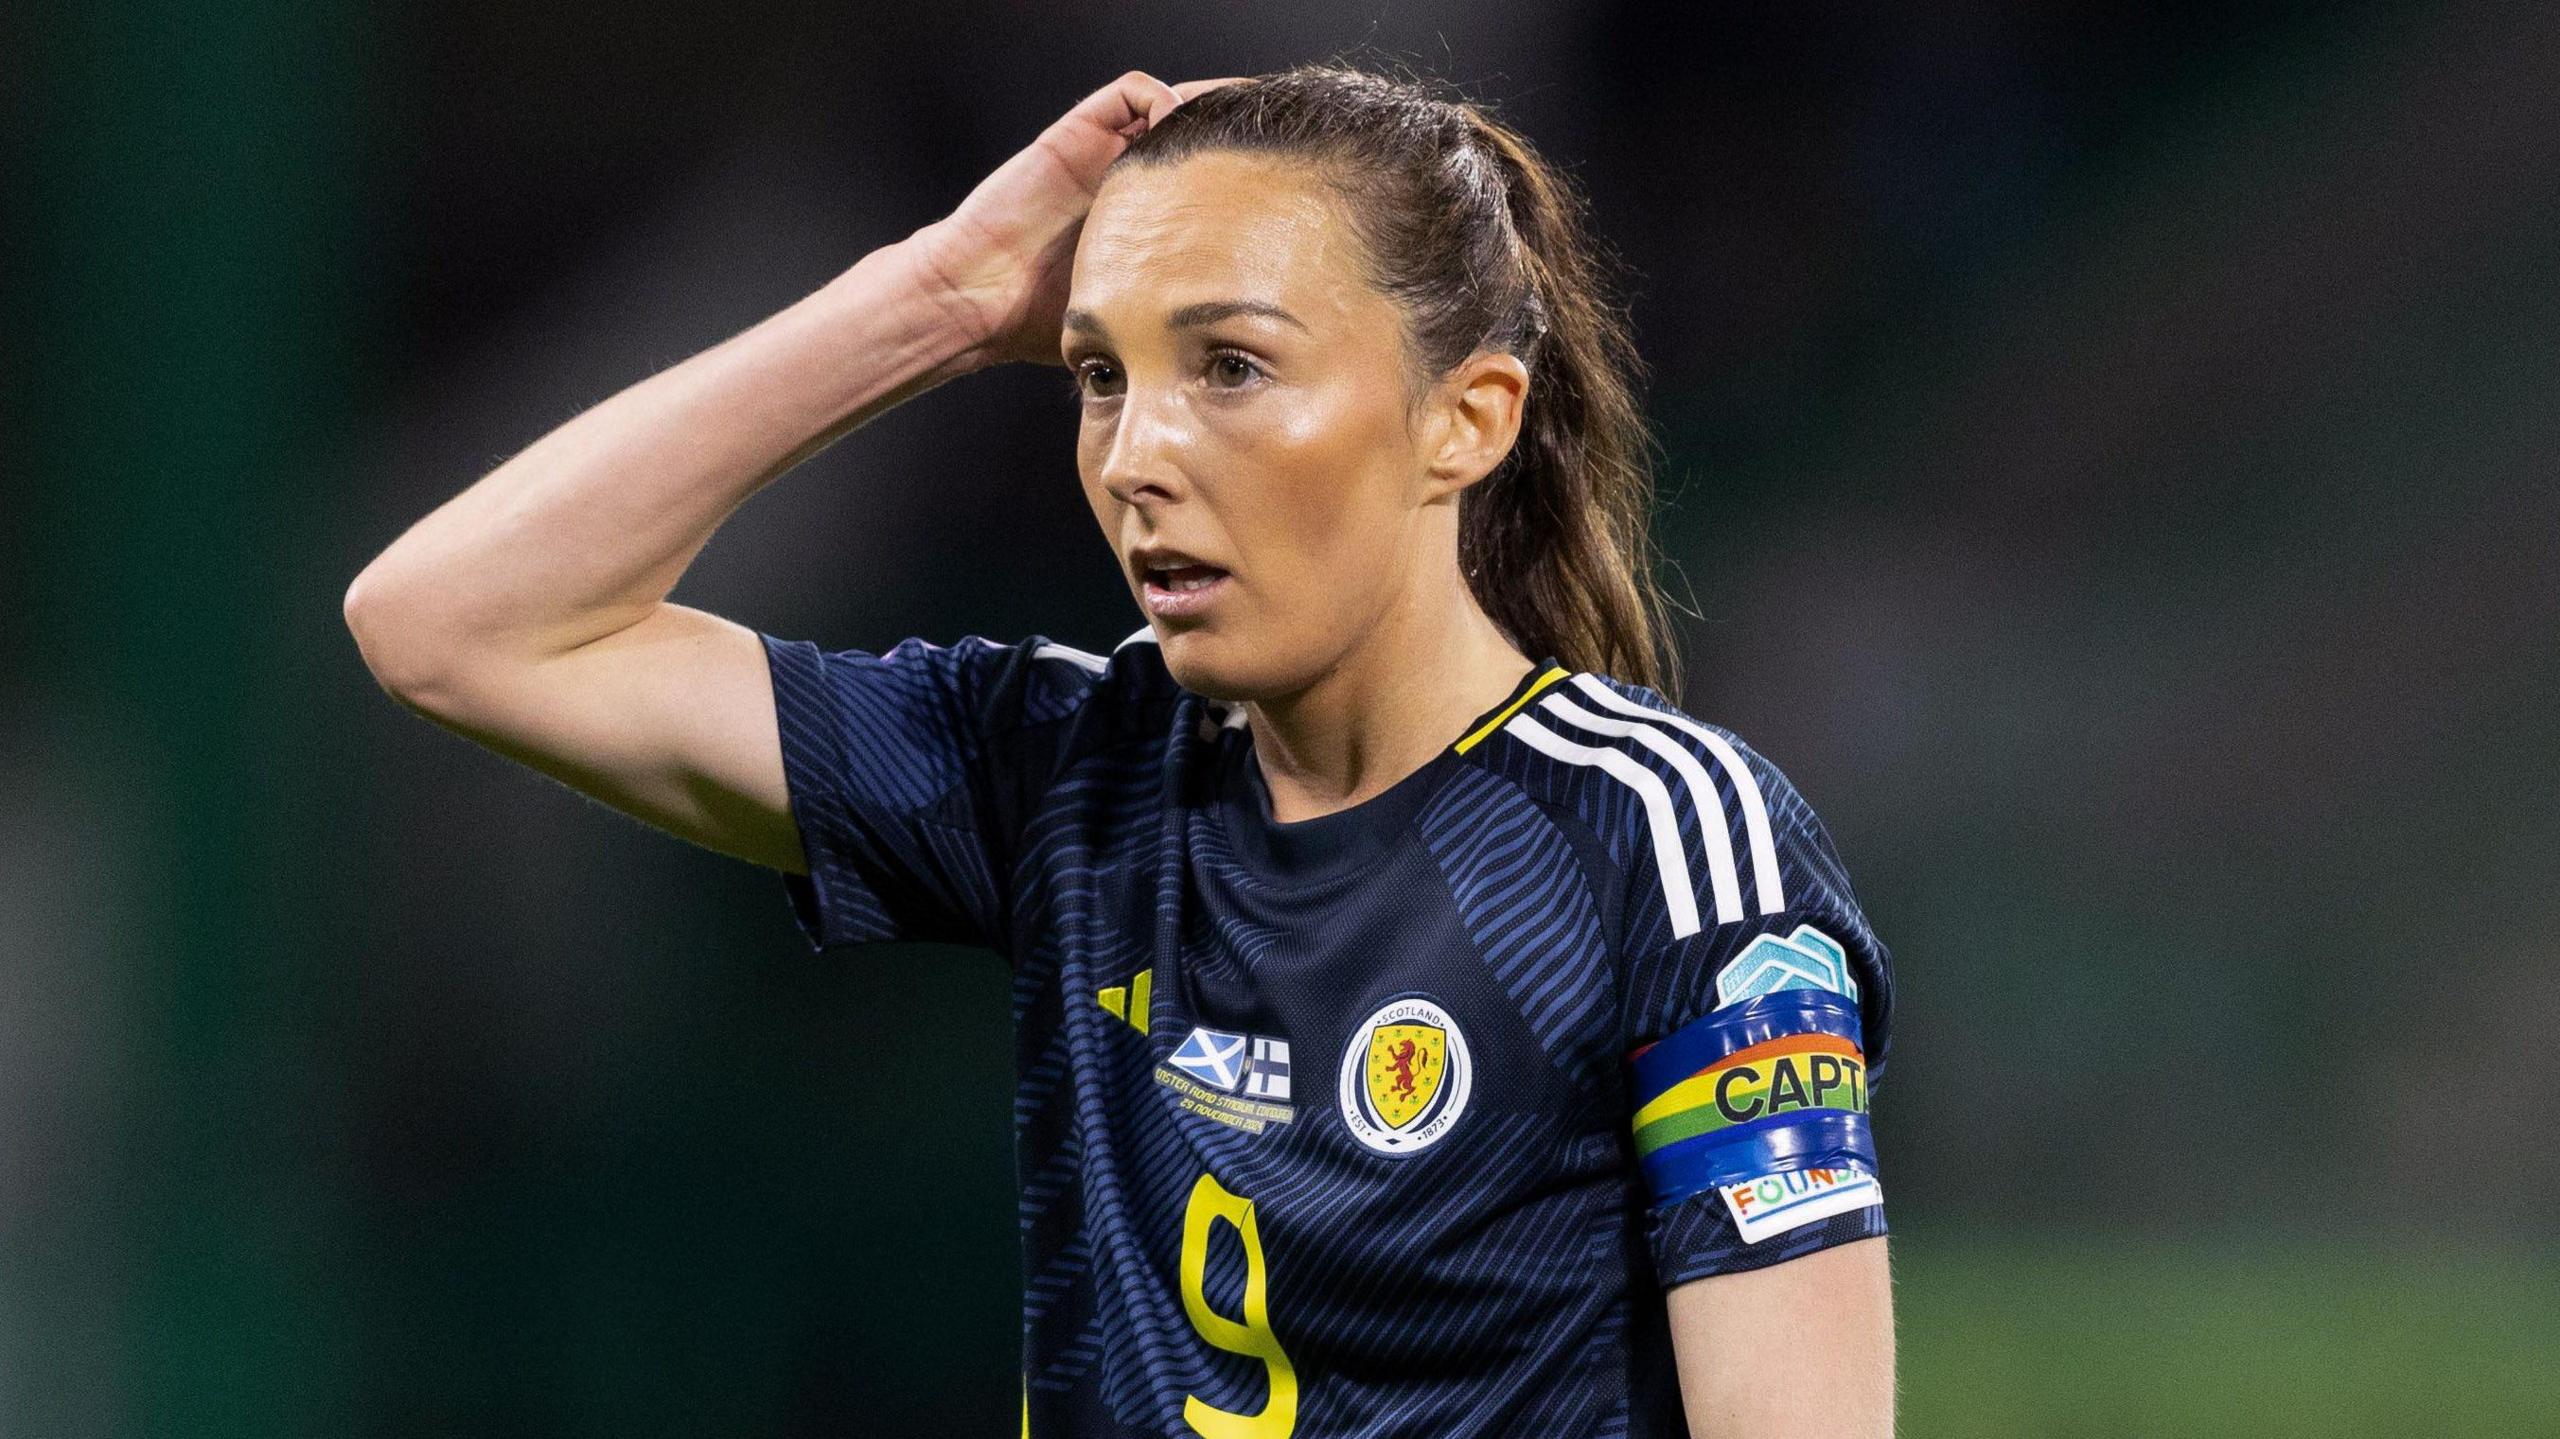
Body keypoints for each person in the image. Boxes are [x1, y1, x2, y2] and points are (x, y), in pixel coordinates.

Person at [345, 62, 1896, 1438]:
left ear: (1467, 420)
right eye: (1101, 375)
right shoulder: (1067, 771)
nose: (1138, 455)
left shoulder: (1668, 851)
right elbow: (454, 624)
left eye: (1231, 367)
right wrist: (936, 300)